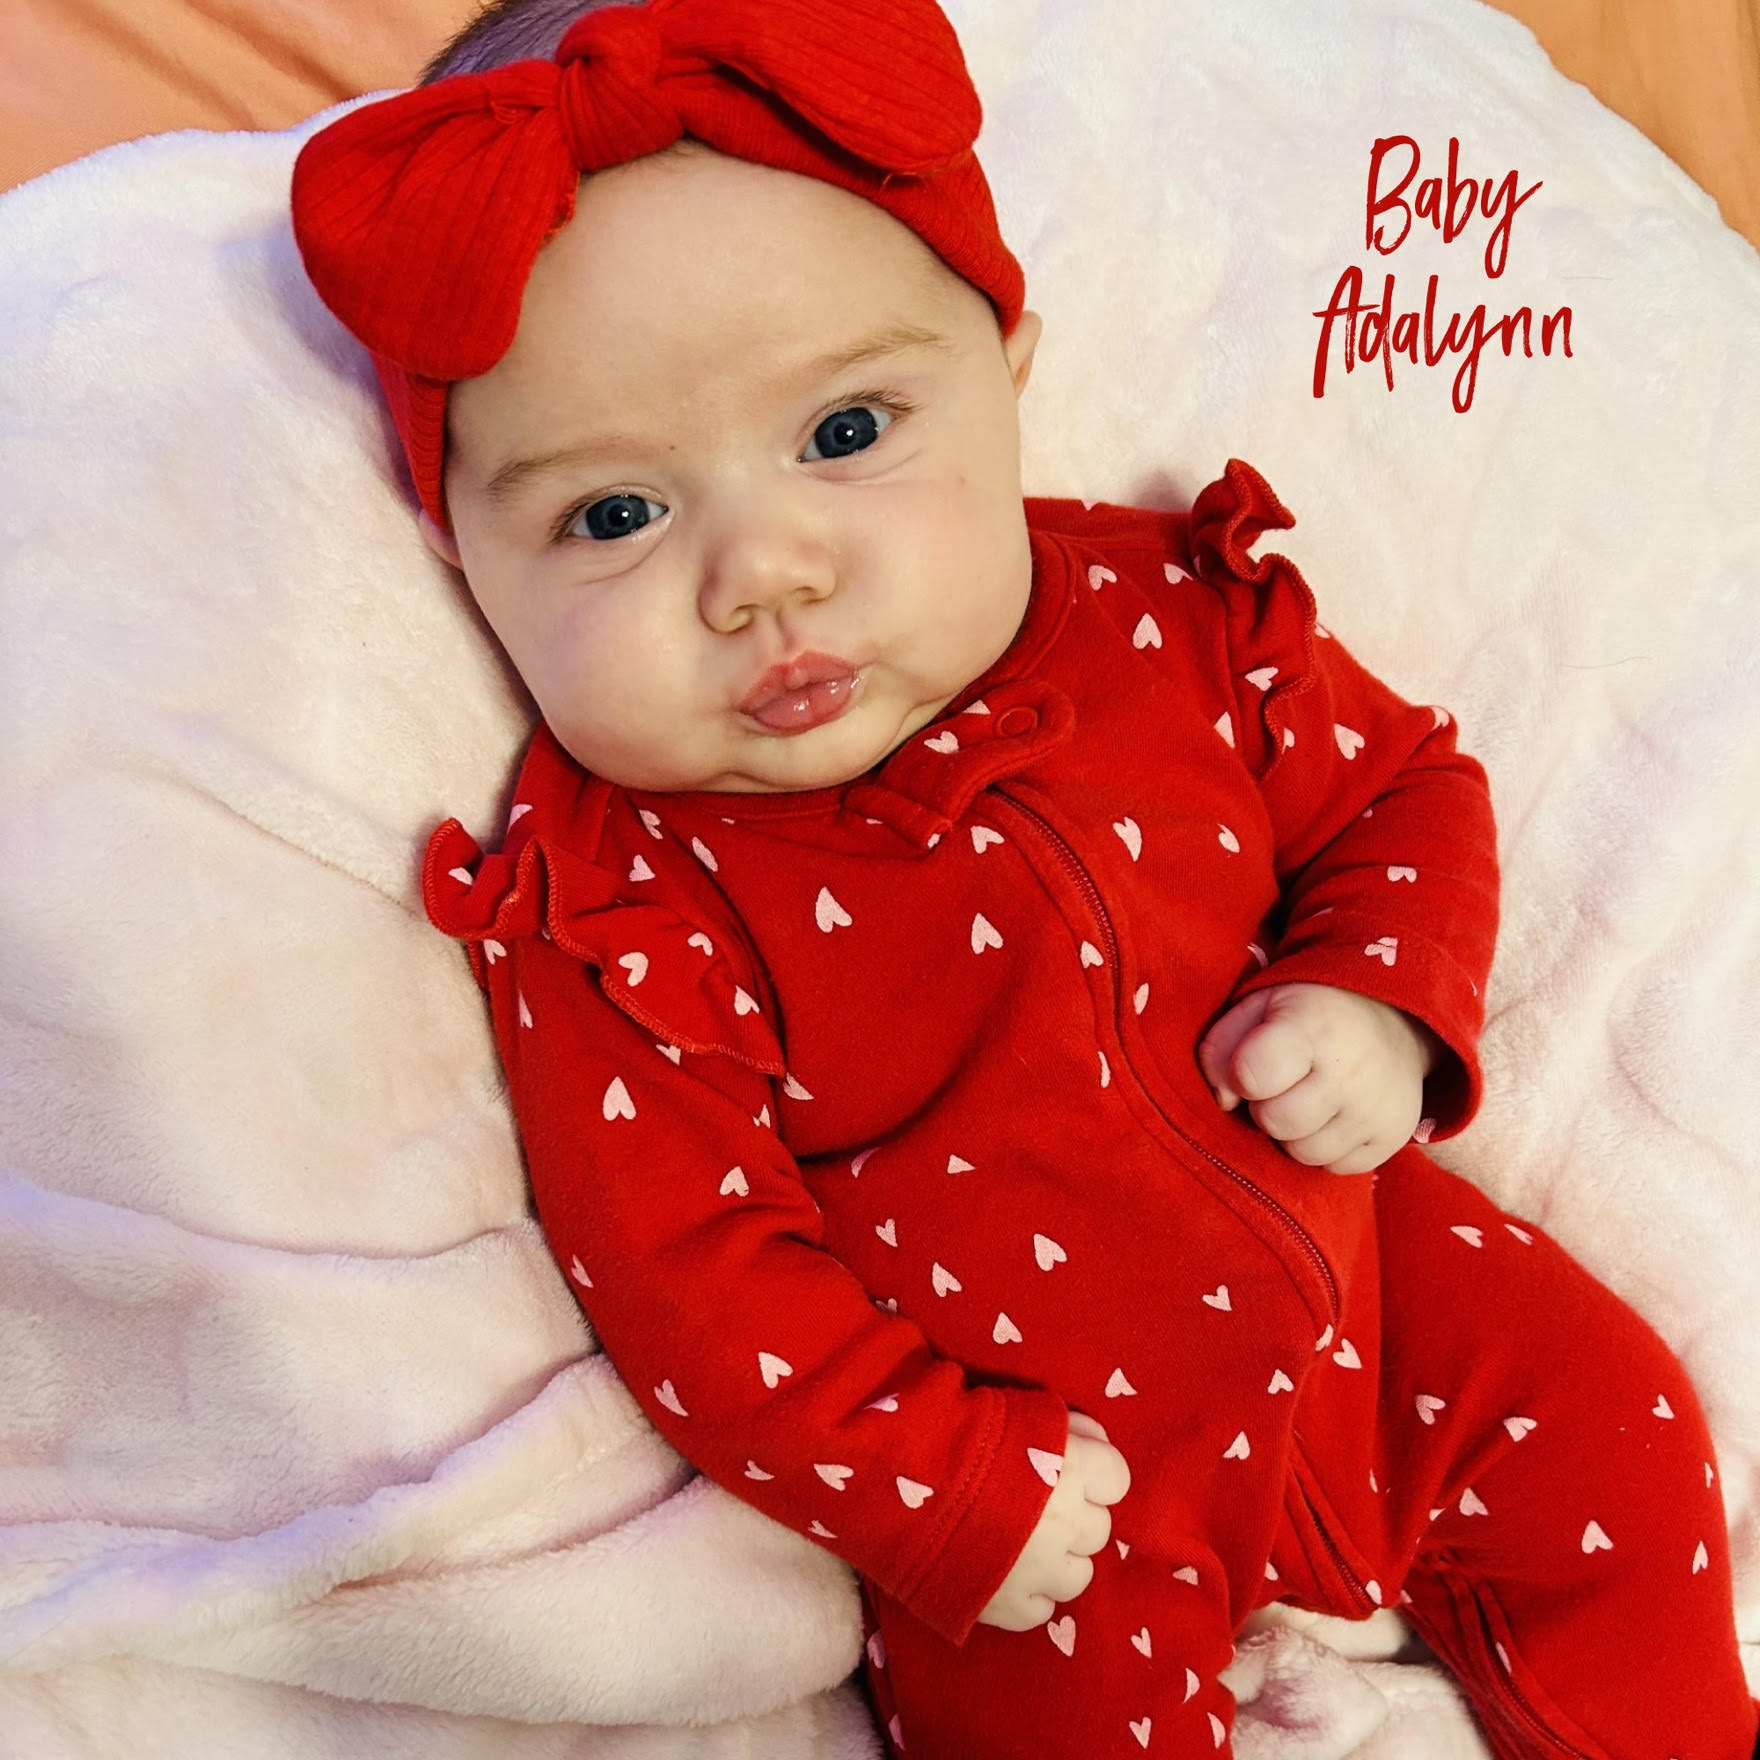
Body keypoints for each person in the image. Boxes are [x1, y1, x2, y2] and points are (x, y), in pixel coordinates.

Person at [290, 1, 1758, 1753]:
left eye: (845, 433)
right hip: (1058, 1482)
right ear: (462, 551)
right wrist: (943, 1482)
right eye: (613, 518)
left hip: (1383, 1303)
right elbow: (688, 1271)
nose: (766, 573)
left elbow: (1402, 786)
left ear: (1011, 363)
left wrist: (1378, 990)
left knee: (1617, 1428)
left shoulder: (1162, 615)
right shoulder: (623, 896)